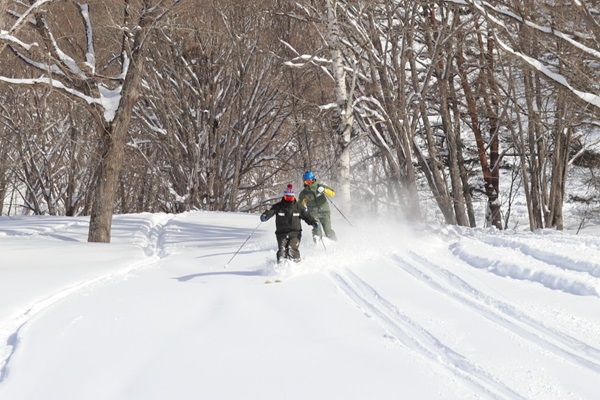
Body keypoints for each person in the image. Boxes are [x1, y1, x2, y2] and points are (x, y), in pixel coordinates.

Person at [260, 184, 319, 264]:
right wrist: (265, 216)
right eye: (287, 197)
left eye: (290, 197)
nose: (289, 200)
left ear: (293, 197)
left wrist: (313, 222)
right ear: (284, 197)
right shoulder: (278, 206)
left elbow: (307, 216)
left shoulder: (298, 206)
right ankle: (280, 267)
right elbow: (270, 212)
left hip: (295, 233)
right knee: (282, 250)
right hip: (281, 233)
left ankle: (296, 265)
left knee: (292, 248)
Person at [298, 170, 337, 242]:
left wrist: (324, 190)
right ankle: (317, 243)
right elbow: (300, 205)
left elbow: (332, 194)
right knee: (317, 229)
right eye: (307, 182)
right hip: (313, 213)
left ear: (313, 180)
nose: (309, 184)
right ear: (304, 182)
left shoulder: (320, 187)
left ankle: (334, 242)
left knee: (328, 231)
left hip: (324, 211)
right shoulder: (303, 193)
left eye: (310, 181)